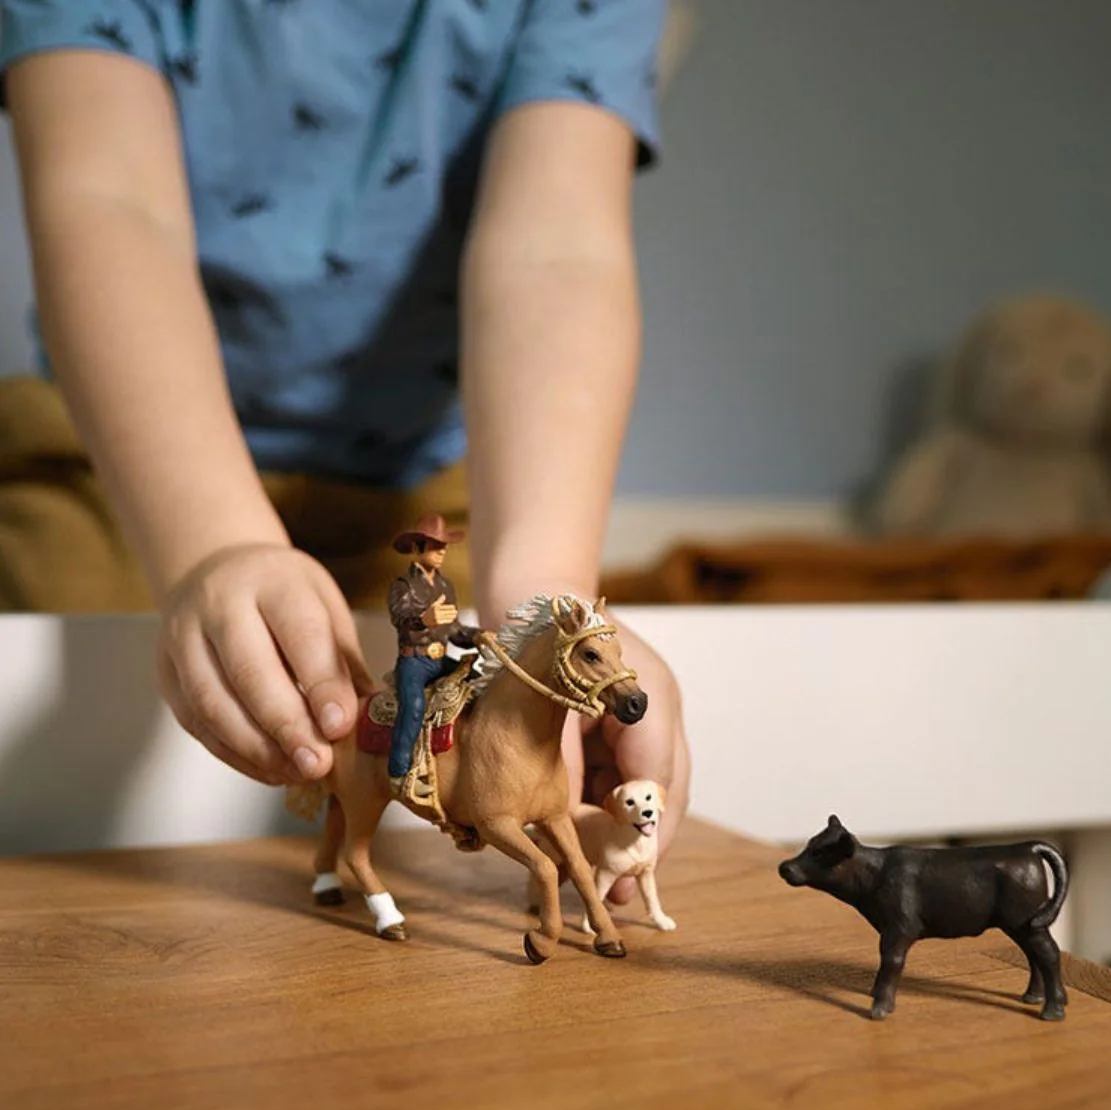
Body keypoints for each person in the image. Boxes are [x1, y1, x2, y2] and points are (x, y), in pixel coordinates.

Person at [0, 0, 690, 903]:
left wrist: (542, 599)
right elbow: (109, 204)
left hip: (427, 488)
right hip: (113, 467)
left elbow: (559, 250)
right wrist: (213, 542)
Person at [385, 512, 479, 789]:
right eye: (435, 546)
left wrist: (479, 636)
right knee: (414, 707)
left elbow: (455, 628)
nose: (442, 552)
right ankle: (400, 771)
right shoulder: (403, 585)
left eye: (444, 546)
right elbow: (400, 618)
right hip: (414, 661)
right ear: (417, 548)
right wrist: (423, 620)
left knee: (480, 684)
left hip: (441, 659)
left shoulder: (445, 585)